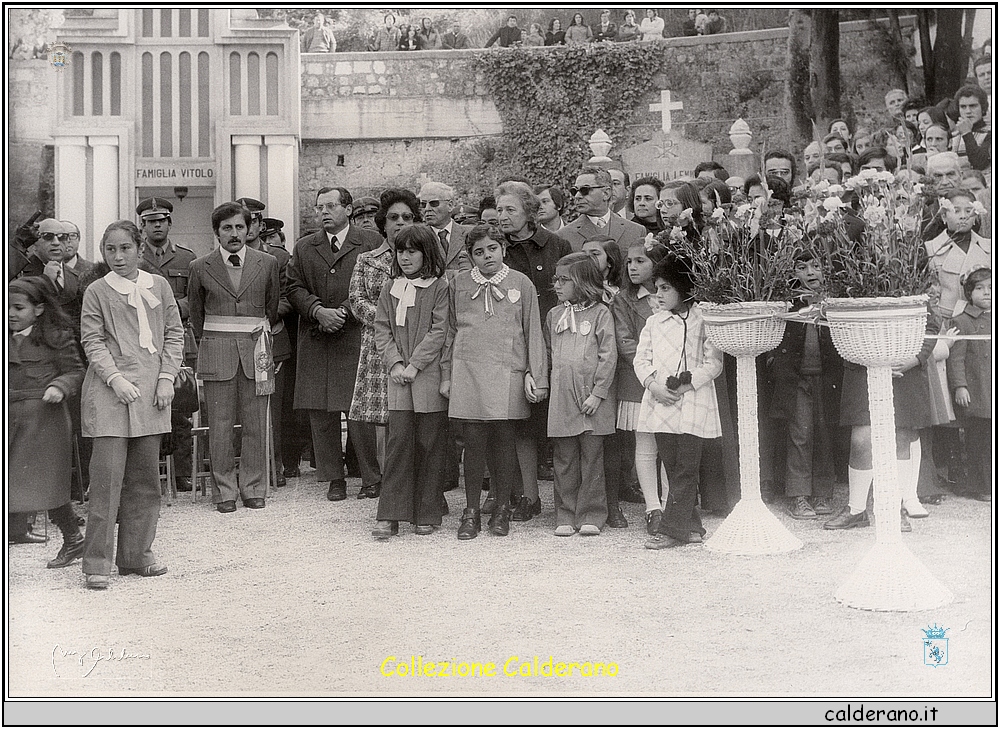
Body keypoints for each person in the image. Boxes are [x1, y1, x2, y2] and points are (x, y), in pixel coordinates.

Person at [79, 220, 184, 589]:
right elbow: (92, 341)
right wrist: (115, 379)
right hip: (110, 392)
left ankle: (136, 556)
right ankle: (96, 563)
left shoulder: (160, 286)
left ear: (140, 248)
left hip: (153, 393)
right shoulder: (96, 291)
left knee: (144, 481)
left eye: (125, 248)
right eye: (110, 249)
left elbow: (173, 333)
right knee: (107, 482)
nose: (118, 257)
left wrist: (167, 377)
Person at [446, 225, 547, 539]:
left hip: (507, 372)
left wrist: (536, 374)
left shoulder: (521, 283)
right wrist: (446, 374)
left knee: (504, 439)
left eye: (492, 248)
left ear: (503, 248)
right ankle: (471, 510)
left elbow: (533, 332)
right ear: (470, 256)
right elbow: (450, 333)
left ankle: (502, 507)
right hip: (468, 372)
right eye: (479, 252)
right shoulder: (459, 284)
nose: (486, 256)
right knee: (473, 440)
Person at [287, 187, 383, 502]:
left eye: (330, 206)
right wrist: (317, 310)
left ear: (348, 209)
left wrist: (342, 311)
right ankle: (334, 478)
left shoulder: (369, 243)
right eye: (319, 207)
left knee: (359, 413)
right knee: (321, 413)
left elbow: (378, 283)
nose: (324, 212)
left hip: (355, 336)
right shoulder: (304, 247)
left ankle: (371, 476)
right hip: (317, 338)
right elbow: (294, 286)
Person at [188, 203, 280, 513]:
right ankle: (224, 491)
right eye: (227, 228)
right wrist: (215, 342)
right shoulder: (200, 267)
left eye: (239, 227)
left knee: (255, 423)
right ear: (216, 233)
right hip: (217, 352)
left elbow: (271, 305)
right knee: (221, 426)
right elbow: (197, 314)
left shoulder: (267, 263)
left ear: (249, 228)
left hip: (256, 351)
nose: (234, 234)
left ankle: (253, 487)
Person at [497, 181, 572, 518]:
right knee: (522, 427)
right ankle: (528, 496)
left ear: (529, 212)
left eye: (510, 209)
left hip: (557, 346)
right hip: (511, 347)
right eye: (499, 210)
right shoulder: (496, 249)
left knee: (559, 424)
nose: (502, 216)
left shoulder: (557, 245)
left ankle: (567, 501)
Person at [638, 257, 724, 548]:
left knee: (687, 465)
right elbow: (641, 360)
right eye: (656, 288)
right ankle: (693, 527)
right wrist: (653, 385)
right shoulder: (654, 322)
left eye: (666, 288)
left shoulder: (704, 319)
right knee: (673, 465)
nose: (658, 295)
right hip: (661, 401)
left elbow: (714, 363)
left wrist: (688, 382)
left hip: (693, 401)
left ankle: (672, 530)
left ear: (684, 288)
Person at [371, 225, 451, 537]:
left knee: (429, 445)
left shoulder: (439, 286)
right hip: (398, 378)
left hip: (427, 377)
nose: (405, 257)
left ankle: (426, 512)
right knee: (398, 444)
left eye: (412, 251)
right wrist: (395, 362)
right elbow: (382, 328)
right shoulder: (390, 287)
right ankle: (391, 513)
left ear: (426, 253)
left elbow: (439, 329)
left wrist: (415, 364)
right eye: (400, 251)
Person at [348, 189, 423, 504]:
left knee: (417, 417)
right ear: (383, 223)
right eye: (393, 217)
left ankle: (417, 487)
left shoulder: (425, 257)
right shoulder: (367, 260)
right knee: (383, 419)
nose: (400, 222)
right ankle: (389, 490)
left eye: (407, 217)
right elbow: (356, 299)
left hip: (416, 348)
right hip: (379, 348)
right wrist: (386, 323)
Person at [8, 276, 85, 564]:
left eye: (18, 308)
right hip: (10, 418)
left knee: (48, 486)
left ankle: (73, 539)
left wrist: (59, 387)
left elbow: (76, 372)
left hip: (43, 421)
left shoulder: (56, 337)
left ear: (38, 309)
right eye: (7, 307)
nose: (11, 314)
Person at [766, 253, 843, 520]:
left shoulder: (833, 303)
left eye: (817, 266)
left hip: (826, 377)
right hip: (797, 379)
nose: (810, 272)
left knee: (824, 432)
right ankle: (798, 495)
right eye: (802, 267)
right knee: (800, 434)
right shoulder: (788, 303)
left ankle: (822, 492)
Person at [545, 253, 617, 536]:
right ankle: (565, 513)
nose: (557, 285)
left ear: (583, 282)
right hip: (562, 399)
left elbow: (608, 356)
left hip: (592, 399)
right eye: (556, 279)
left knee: (592, 458)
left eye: (564, 280)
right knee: (564, 458)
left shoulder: (601, 314)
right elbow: (550, 355)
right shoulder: (554, 315)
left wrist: (598, 393)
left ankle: (592, 514)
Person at [136, 197, 198, 492]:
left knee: (181, 409)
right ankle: (149, 475)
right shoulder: (135, 258)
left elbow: (197, 299)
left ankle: (182, 473)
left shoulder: (187, 259)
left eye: (161, 221)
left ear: (170, 223)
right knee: (147, 409)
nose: (156, 226)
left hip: (179, 340)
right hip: (144, 342)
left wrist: (170, 307)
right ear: (143, 225)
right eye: (150, 221)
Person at [614, 239, 672, 533]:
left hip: (671, 379)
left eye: (641, 261)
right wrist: (651, 372)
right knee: (646, 442)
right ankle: (653, 507)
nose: (632, 267)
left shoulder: (672, 295)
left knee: (671, 443)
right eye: (629, 262)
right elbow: (625, 342)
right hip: (640, 380)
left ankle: (671, 501)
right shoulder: (624, 299)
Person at [580, 238, 628, 527]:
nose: (587, 258)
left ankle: (614, 502)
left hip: (617, 372)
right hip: (590, 375)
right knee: (594, 441)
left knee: (615, 441)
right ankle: (593, 503)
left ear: (609, 262)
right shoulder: (580, 297)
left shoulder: (616, 296)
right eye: (583, 254)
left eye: (594, 254)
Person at [947, 267, 992, 501]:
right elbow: (956, 359)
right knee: (980, 442)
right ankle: (982, 487)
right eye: (980, 288)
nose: (987, 293)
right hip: (979, 393)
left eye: (991, 288)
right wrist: (960, 386)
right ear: (969, 292)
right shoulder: (962, 321)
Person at [924, 188, 991, 319]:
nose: (963, 216)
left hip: (985, 322)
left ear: (975, 217)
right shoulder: (931, 249)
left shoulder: (990, 247)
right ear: (944, 216)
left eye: (968, 211)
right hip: (947, 323)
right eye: (956, 211)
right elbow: (930, 296)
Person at [559, 166, 647, 255]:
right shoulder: (563, 236)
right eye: (574, 191)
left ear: (606, 193)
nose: (577, 196)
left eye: (585, 190)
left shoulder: (636, 231)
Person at [417, 181, 472, 274]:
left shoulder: (470, 234)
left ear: (450, 205)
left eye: (433, 203)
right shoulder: (418, 237)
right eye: (423, 204)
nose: (427, 209)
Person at [951, 84, 991, 172]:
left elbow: (980, 164)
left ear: (983, 108)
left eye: (973, 106)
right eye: (963, 107)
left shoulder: (990, 133)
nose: (968, 111)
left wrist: (967, 134)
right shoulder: (953, 136)